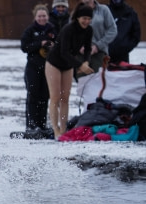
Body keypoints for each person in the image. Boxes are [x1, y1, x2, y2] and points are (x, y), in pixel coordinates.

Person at [45, 3, 95, 139]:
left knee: (65, 98)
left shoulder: (89, 30)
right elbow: (64, 52)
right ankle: (55, 130)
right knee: (55, 97)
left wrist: (86, 61)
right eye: (84, 18)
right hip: (54, 62)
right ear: (78, 18)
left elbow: (88, 49)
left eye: (89, 19)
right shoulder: (68, 29)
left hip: (67, 65)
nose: (86, 21)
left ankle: (63, 129)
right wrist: (80, 65)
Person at [20, 4, 56, 137]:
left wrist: (52, 45)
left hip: (48, 68)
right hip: (33, 67)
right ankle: (31, 124)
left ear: (47, 16)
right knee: (33, 95)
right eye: (39, 16)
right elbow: (24, 47)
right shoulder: (30, 30)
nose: (42, 18)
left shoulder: (52, 29)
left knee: (45, 96)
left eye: (44, 16)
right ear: (35, 17)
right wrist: (39, 44)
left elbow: (59, 44)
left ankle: (42, 124)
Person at [78, 0, 117, 76]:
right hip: (81, 55)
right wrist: (78, 46)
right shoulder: (76, 11)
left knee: (99, 83)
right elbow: (70, 32)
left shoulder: (104, 10)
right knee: (83, 84)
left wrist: (97, 46)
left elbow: (112, 30)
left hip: (99, 54)